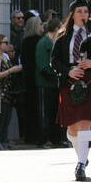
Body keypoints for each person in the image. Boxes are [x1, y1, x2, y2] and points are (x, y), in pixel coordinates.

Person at [52, 0, 91, 181]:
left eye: (85, 11)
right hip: (70, 81)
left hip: (90, 80)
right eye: (79, 11)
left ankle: (81, 164)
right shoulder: (62, 37)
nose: (83, 15)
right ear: (72, 15)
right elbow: (54, 61)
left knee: (85, 122)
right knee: (73, 128)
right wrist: (68, 70)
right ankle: (82, 156)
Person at [36, 18, 64, 148]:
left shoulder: (55, 42)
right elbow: (43, 66)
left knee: (55, 112)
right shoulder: (43, 43)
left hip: (55, 83)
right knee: (46, 112)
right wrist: (56, 74)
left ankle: (56, 138)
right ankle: (45, 138)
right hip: (46, 84)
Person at [18, 14, 45, 146]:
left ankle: (30, 135)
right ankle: (39, 134)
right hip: (36, 78)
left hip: (27, 78)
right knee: (38, 108)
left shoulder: (25, 41)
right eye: (40, 24)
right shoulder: (38, 41)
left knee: (30, 108)